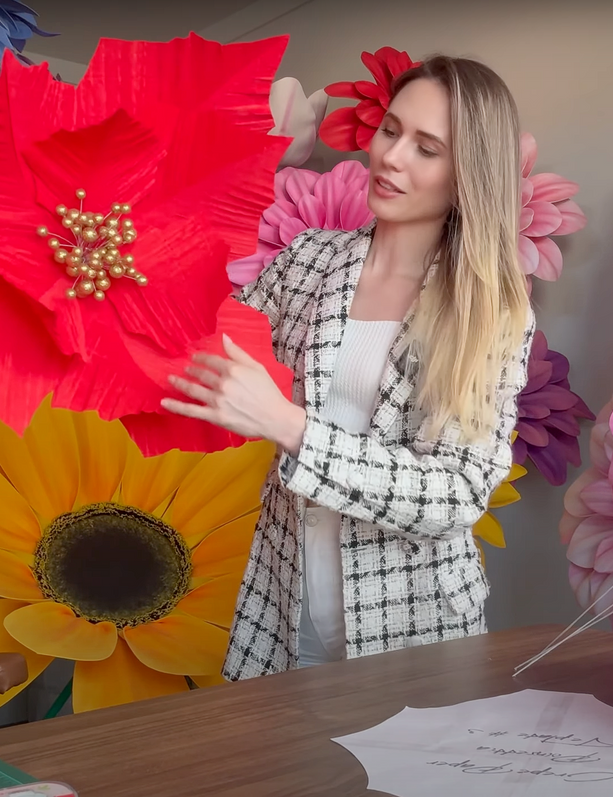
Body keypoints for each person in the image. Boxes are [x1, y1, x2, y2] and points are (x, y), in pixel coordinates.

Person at [161, 54, 535, 680]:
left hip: (417, 632)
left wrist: (295, 430)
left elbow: (457, 493)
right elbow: (204, 353)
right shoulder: (309, 258)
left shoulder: (490, 311)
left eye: (427, 148)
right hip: (282, 620)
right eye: (390, 131)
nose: (391, 158)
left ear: (468, 172)